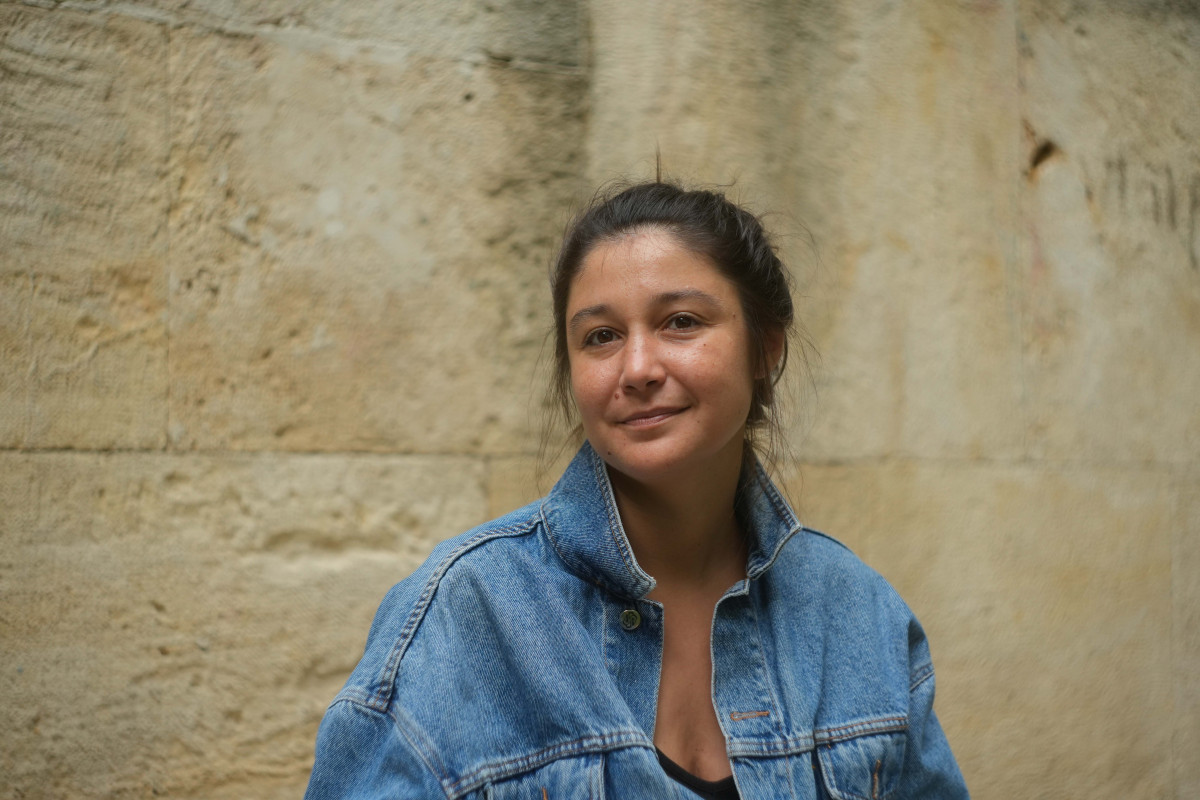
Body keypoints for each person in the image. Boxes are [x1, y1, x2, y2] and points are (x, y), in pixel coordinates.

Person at [304, 181, 969, 799]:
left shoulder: (859, 614)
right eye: (601, 337)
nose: (638, 368)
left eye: (681, 321)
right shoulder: (464, 613)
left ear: (765, 348)